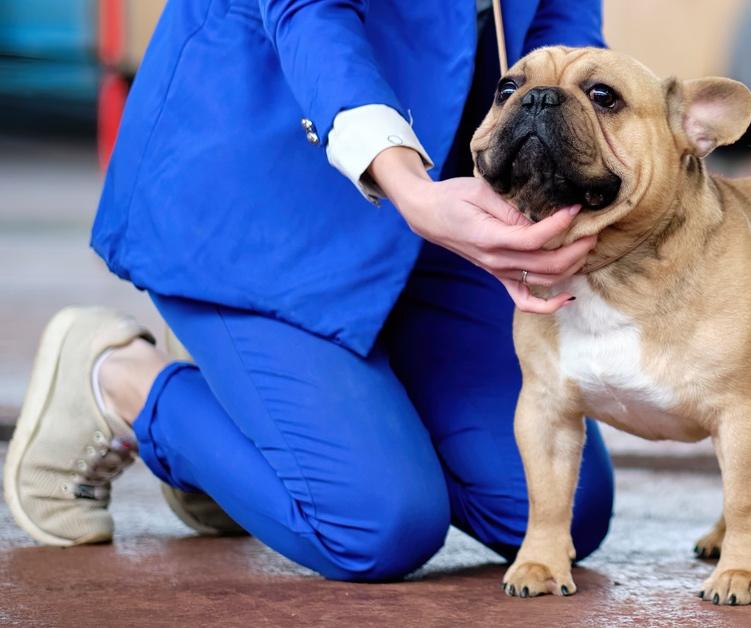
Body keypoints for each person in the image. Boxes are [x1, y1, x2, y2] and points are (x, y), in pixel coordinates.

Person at [3, 0, 615, 581]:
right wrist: (410, 189)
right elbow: (309, 11)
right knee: (378, 526)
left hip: (444, 208)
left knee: (561, 507)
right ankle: (119, 378)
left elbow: (562, 35)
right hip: (259, 197)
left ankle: (262, 423)